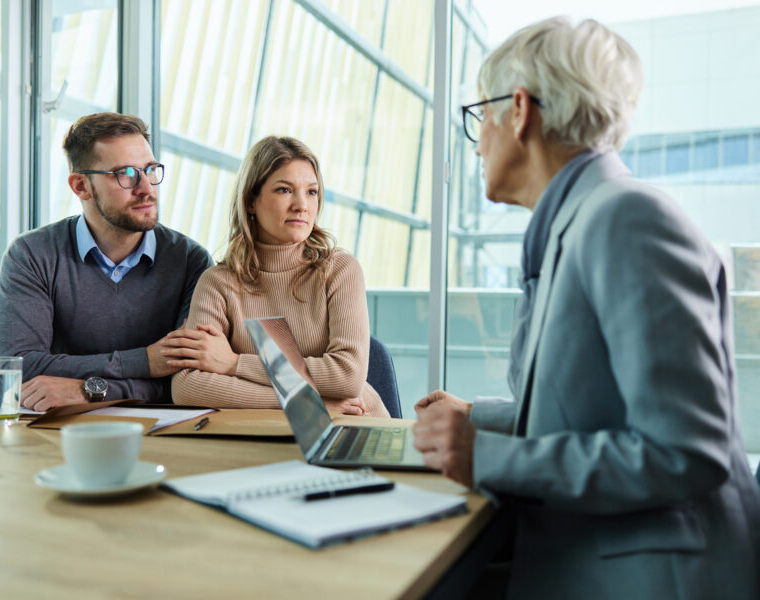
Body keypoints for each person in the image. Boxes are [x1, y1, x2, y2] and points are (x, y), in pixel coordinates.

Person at [412, 17, 760, 599]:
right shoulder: (581, 222)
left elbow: (683, 452)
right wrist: (479, 414)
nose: (480, 140)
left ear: (519, 109)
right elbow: (594, 406)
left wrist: (488, 456)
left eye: (481, 116)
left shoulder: (626, 220)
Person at [0, 113, 213, 410]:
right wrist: (146, 361)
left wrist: (90, 391)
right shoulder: (32, 255)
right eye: (126, 174)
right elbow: (16, 370)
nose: (146, 188)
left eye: (150, 170)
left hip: (157, 436)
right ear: (81, 186)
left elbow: (188, 379)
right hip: (53, 435)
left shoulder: (190, 261)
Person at [165, 136, 388, 417]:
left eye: (311, 192)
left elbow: (346, 376)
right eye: (284, 190)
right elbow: (187, 387)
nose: (301, 205)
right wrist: (307, 404)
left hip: (351, 422)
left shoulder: (340, 270)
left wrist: (234, 364)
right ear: (250, 202)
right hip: (270, 432)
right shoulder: (218, 282)